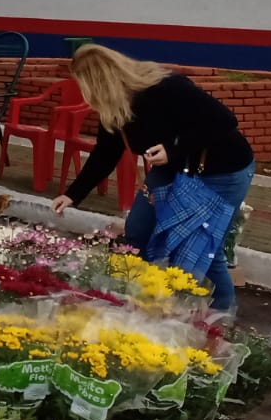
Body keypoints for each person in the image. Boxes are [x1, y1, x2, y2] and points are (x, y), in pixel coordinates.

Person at [53, 45, 256, 311]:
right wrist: (73, 194)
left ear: (99, 83)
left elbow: (224, 121)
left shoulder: (167, 87)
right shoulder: (115, 107)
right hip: (173, 170)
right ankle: (137, 302)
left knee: (204, 248)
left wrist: (174, 150)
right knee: (137, 231)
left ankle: (221, 318)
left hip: (221, 171)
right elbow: (106, 152)